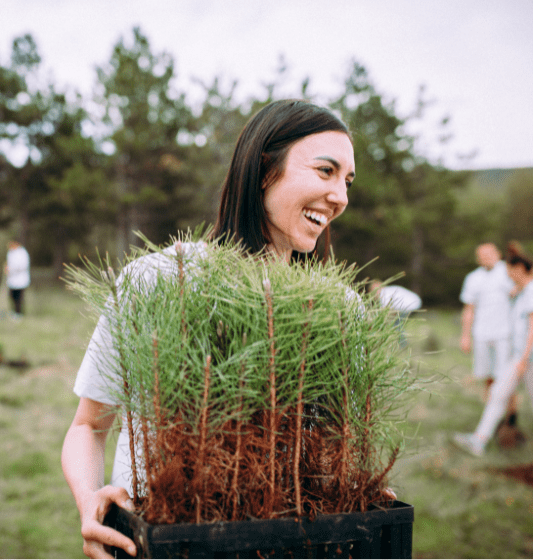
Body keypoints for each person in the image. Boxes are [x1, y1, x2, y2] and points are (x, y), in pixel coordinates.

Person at [61, 100, 357, 559]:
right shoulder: (159, 280)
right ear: (263, 171)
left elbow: (338, 450)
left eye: (347, 181)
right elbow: (88, 426)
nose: (340, 196)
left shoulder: (341, 309)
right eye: (325, 171)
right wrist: (88, 505)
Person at [454, 242, 533, 459]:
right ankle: (478, 442)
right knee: (498, 393)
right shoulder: (523, 290)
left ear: (518, 270)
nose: (508, 276)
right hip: (523, 357)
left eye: (510, 272)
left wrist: (523, 359)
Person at [370, 280, 422, 347]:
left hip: (408, 306)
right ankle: (402, 343)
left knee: (397, 325)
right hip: (411, 304)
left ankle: (403, 344)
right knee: (397, 324)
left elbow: (386, 312)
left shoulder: (384, 294)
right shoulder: (388, 290)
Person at [4, 240, 30, 318]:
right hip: (12, 280)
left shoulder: (22, 253)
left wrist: (11, 269)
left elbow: (22, 265)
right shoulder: (10, 253)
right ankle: (13, 311)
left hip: (20, 280)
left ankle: (19, 313)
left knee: (19, 297)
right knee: (12, 296)